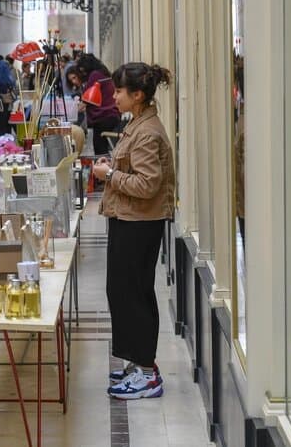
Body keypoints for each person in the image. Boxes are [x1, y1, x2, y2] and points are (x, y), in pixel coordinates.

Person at [92, 62, 175, 400]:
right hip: (129, 218)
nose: (116, 97)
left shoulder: (147, 131)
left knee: (134, 294)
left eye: (121, 91)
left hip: (139, 222)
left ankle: (147, 371)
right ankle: (137, 362)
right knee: (123, 292)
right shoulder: (138, 124)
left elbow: (146, 184)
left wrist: (109, 176)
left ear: (138, 95)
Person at [76, 53, 121, 155]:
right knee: (102, 147)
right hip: (112, 115)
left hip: (103, 117)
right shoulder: (104, 73)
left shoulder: (94, 75)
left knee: (100, 151)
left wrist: (75, 109)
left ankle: (102, 168)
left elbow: (86, 100)